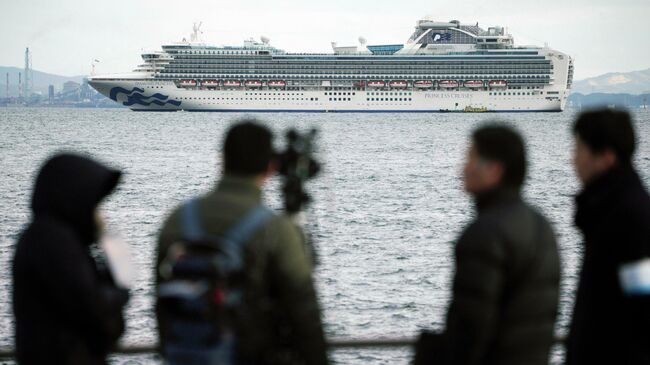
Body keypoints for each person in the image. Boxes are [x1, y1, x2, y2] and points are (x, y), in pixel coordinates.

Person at [155, 120, 328, 365]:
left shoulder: (176, 219)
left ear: (221, 160)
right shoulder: (276, 229)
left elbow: (161, 305)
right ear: (271, 167)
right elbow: (305, 315)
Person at [415, 124, 560, 365]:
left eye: (470, 159)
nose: (462, 169)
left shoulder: (484, 234)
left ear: (494, 170)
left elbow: (470, 327)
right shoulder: (543, 226)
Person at [12, 153, 129, 365]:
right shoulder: (52, 241)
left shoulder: (56, 240)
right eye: (95, 204)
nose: (99, 213)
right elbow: (94, 310)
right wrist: (111, 243)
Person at [566, 109, 650, 364]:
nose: (573, 160)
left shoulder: (629, 220)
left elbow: (643, 304)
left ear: (606, 156)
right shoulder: (608, 209)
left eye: (580, 150)